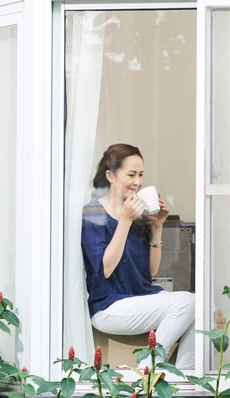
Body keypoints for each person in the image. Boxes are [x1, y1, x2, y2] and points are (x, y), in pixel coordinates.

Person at [81, 143, 195, 369]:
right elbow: (105, 269)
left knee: (200, 308)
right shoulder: (93, 213)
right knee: (188, 303)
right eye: (131, 174)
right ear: (110, 176)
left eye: (141, 175)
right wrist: (125, 220)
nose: (138, 181)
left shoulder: (138, 214)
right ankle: (150, 369)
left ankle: (185, 376)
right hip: (109, 306)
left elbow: (151, 272)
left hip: (142, 298)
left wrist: (158, 227)